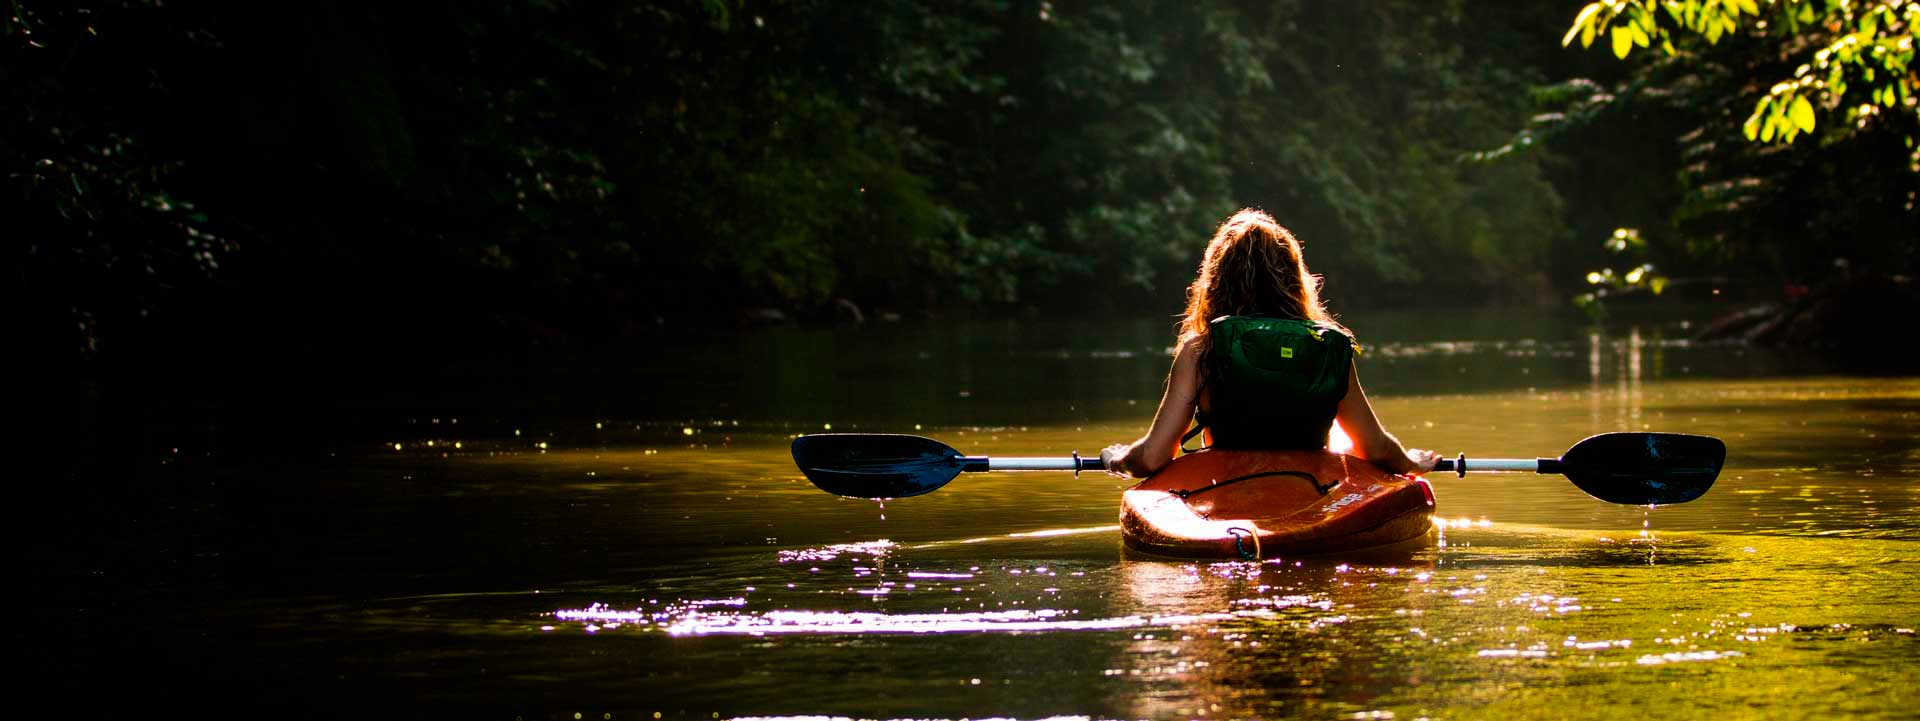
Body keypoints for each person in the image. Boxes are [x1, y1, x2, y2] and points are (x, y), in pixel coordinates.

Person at [1101, 209, 1439, 477]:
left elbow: (1153, 457)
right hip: (1310, 488)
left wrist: (1118, 459)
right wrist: (1410, 463)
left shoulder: (1201, 350)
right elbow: (1375, 448)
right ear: (1294, 279)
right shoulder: (1326, 347)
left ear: (1216, 281)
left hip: (1223, 488)